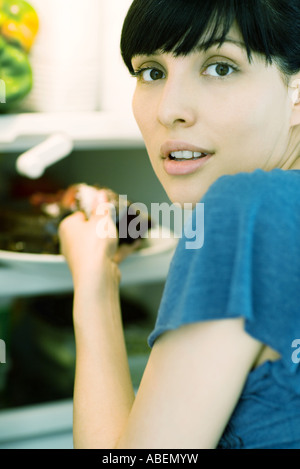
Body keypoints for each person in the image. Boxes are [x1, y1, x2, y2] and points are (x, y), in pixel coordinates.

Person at [59, 0, 300, 449]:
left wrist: (95, 283)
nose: (169, 110)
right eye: (151, 71)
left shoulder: (244, 211)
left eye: (221, 67)